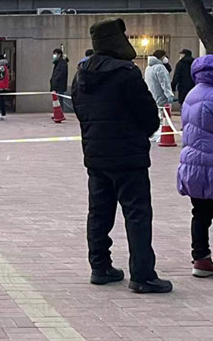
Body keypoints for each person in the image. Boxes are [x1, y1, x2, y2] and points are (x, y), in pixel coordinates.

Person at [72, 18, 172, 294]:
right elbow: (148, 115)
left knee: (99, 213)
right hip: (129, 156)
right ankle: (142, 274)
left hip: (96, 154)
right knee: (137, 214)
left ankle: (100, 266)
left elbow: (80, 112)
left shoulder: (81, 74)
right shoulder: (127, 73)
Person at [177, 54, 213, 278]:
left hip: (193, 163)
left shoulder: (191, 95)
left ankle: (200, 258)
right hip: (212, 162)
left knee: (200, 213)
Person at [145, 50, 175, 142]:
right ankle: (160, 135)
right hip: (161, 96)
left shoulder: (148, 68)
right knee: (163, 117)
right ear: (161, 57)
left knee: (153, 116)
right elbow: (165, 82)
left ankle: (153, 135)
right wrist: (169, 94)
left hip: (151, 95)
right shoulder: (160, 68)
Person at [50, 48, 70, 112]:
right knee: (56, 102)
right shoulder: (57, 63)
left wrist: (55, 80)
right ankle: (57, 113)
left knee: (59, 101)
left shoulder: (62, 63)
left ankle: (60, 113)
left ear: (59, 54)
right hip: (55, 86)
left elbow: (61, 74)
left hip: (60, 85)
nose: (54, 55)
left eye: (55, 54)